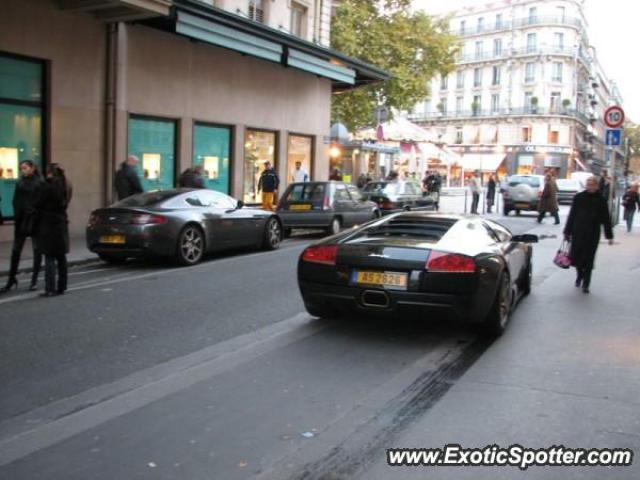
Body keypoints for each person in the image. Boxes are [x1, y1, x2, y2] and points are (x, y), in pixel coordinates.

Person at [563, 176, 614, 294]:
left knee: (589, 259)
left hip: (592, 234)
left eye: (592, 185)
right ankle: (580, 274)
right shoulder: (579, 198)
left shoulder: (601, 200)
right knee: (576, 258)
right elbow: (572, 215)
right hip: (578, 233)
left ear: (597, 186)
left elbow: (606, 219)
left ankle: (586, 283)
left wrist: (609, 236)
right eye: (588, 185)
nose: (590, 187)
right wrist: (567, 232)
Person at [1, 160, 44, 293]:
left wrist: (33, 212)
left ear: (32, 168)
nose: (22, 170)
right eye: (21, 168)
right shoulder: (20, 182)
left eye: (25, 168)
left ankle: (34, 280)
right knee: (16, 250)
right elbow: (15, 200)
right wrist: (16, 214)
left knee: (37, 250)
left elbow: (41, 202)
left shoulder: (39, 183)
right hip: (21, 220)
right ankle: (11, 278)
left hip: (34, 220)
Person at [36, 163, 72, 297]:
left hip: (48, 223)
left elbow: (38, 203)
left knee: (49, 256)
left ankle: (49, 288)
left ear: (50, 172)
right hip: (61, 222)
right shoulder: (66, 185)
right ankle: (62, 286)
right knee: (61, 256)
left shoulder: (47, 186)